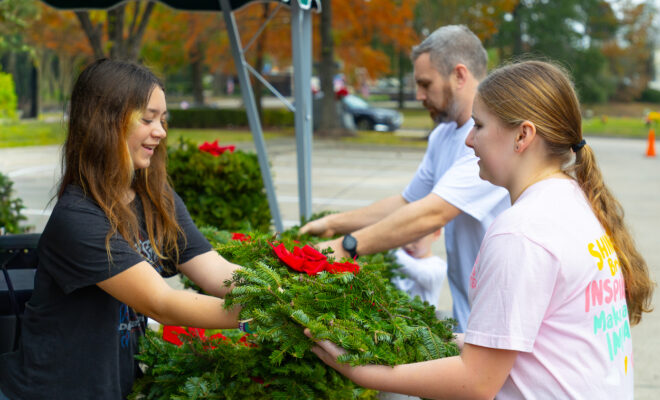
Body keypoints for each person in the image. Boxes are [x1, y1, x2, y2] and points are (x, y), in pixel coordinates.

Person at [306, 60, 655, 399]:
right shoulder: (574, 200)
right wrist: (401, 336)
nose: (469, 141)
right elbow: (531, 346)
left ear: (522, 136)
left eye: (479, 126)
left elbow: (476, 382)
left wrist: (359, 370)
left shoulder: (521, 233)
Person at [0, 59, 246, 400]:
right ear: (106, 122)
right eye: (147, 119)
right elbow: (161, 304)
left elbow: (211, 266)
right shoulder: (78, 217)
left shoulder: (156, 197)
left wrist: (279, 295)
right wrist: (255, 316)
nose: (160, 131)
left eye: (162, 119)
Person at [300, 25, 510, 332]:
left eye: (426, 84)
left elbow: (433, 212)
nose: (419, 95)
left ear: (460, 75)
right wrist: (334, 222)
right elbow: (407, 202)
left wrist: (347, 246)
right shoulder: (442, 136)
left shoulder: (490, 140)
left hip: (501, 317)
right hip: (471, 314)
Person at [391, 230, 446, 310]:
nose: (408, 245)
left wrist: (386, 249)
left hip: (423, 320)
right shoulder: (399, 259)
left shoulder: (438, 266)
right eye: (403, 238)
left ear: (436, 233)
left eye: (416, 239)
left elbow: (419, 272)